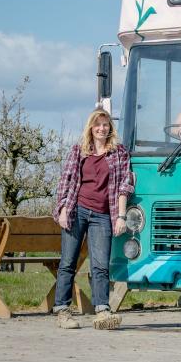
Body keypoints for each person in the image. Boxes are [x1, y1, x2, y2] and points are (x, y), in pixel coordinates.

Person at [52, 108, 133, 329]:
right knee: (68, 262)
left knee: (100, 265)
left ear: (110, 128)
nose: (101, 128)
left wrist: (121, 217)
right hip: (77, 210)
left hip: (103, 214)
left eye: (105, 124)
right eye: (97, 124)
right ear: (91, 127)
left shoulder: (119, 153)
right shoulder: (78, 151)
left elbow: (125, 186)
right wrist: (62, 210)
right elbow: (65, 181)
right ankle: (62, 310)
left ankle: (102, 311)